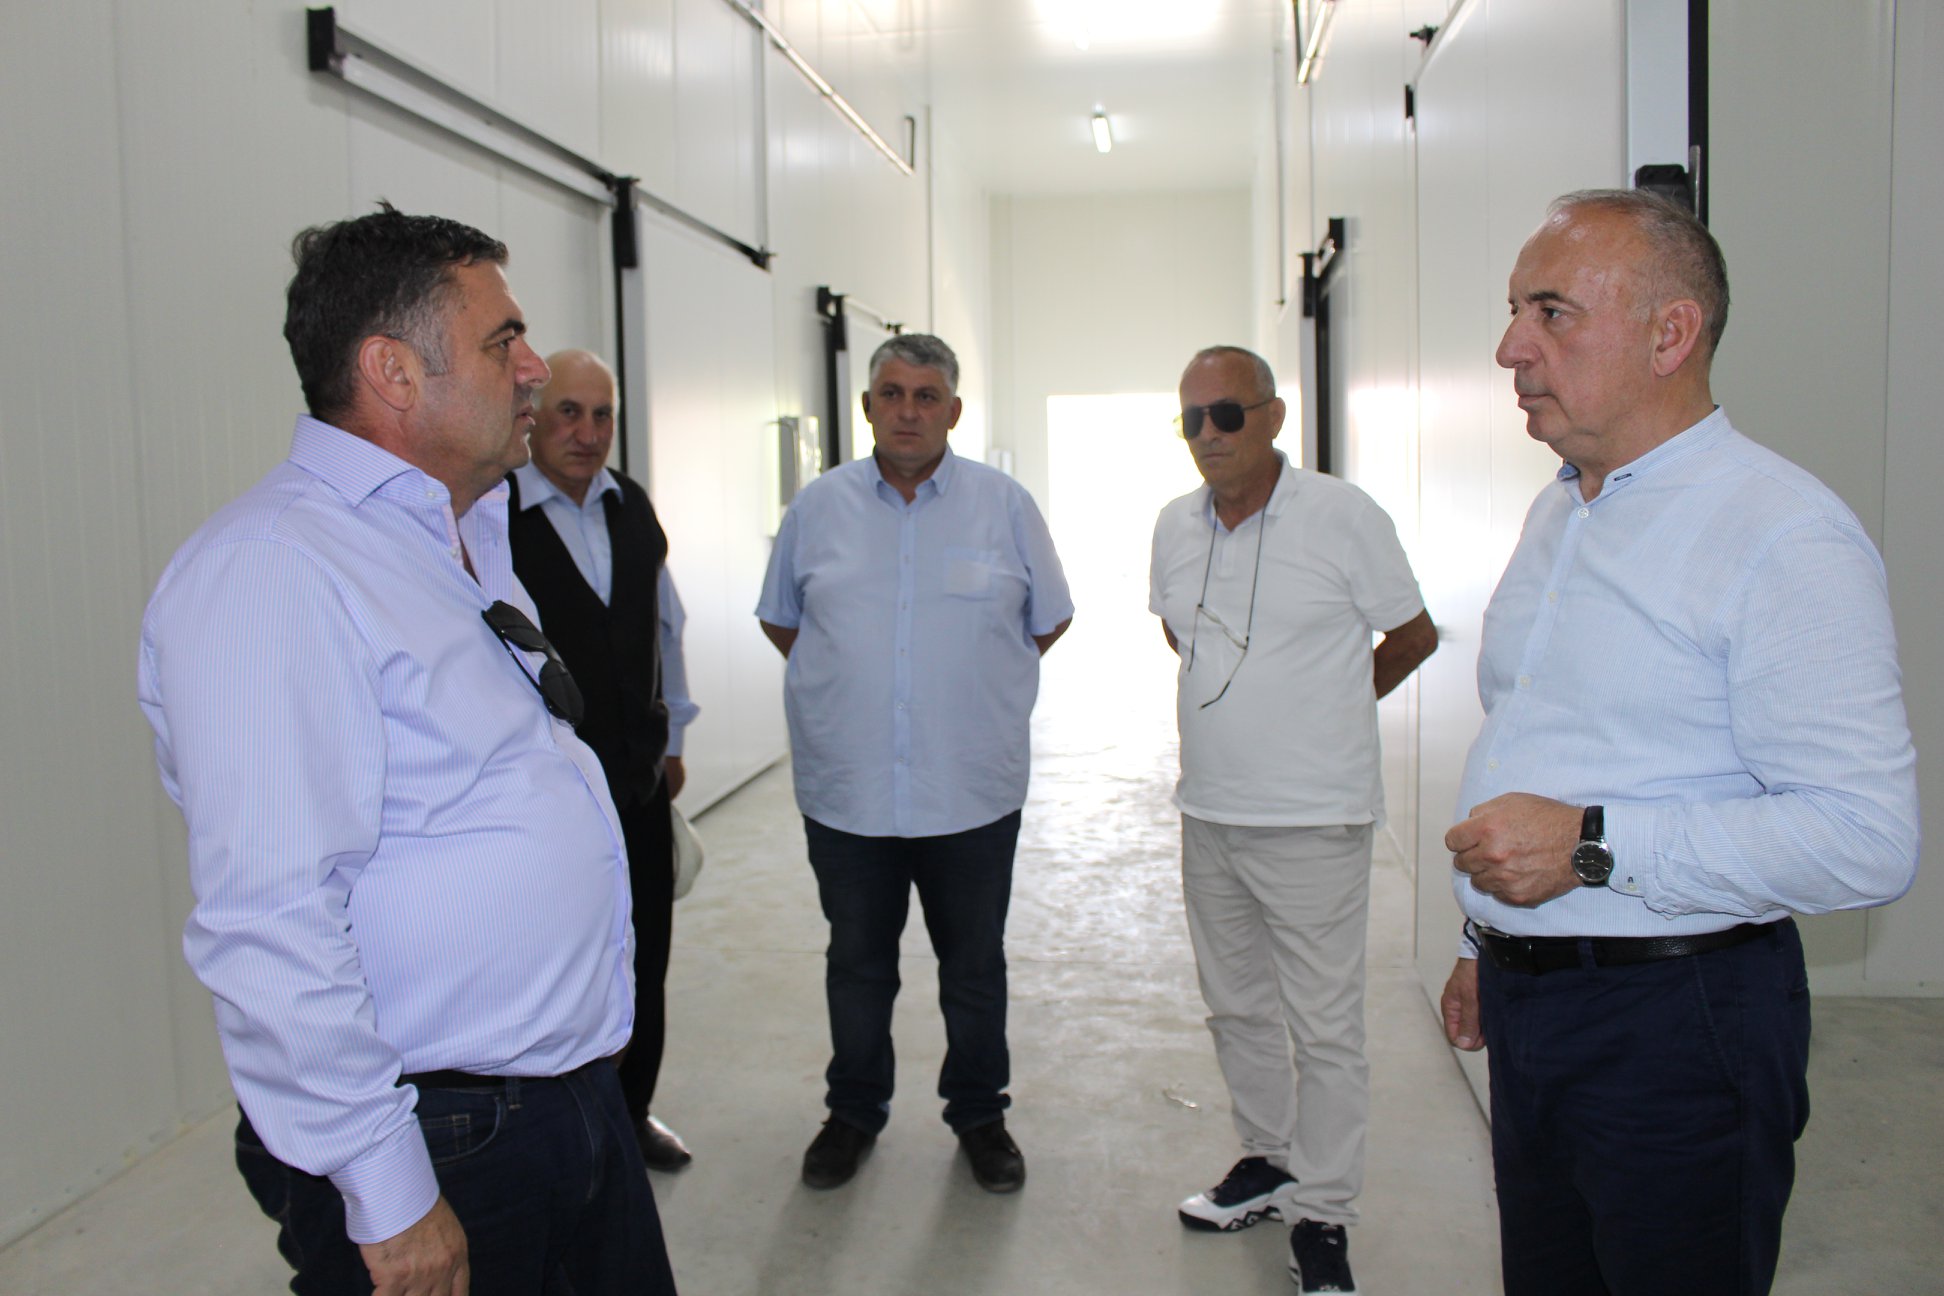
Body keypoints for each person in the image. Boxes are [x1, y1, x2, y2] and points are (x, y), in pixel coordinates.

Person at [138, 206, 678, 1295]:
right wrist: (389, 1196)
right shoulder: (275, 569)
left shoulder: (460, 537)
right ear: (391, 371)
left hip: (563, 1098)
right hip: (445, 1140)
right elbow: (271, 919)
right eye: (502, 341)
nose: (533, 370)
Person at [1439, 189, 1920, 1295]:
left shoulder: (1782, 534)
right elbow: (1539, 741)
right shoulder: (1562, 510)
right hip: (1530, 1004)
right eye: (1514, 312)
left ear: (1671, 334)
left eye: (1551, 313)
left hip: (1681, 1025)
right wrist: (1483, 940)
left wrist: (1591, 846)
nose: (1512, 349)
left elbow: (1866, 838)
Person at [756, 333, 1073, 1194]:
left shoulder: (1004, 507)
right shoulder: (816, 510)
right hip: (849, 791)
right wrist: (852, 688)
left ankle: (980, 1115)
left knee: (973, 968)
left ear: (953, 411)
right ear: (867, 407)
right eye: (891, 394)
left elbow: (1049, 618)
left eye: (926, 396)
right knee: (858, 964)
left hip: (969, 789)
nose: (907, 411)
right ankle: (854, 1111)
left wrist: (971, 689)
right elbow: (784, 620)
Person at [1150, 345, 1437, 1295]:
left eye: (1227, 414)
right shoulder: (1173, 526)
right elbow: (1181, 631)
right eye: (1192, 419)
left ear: (1273, 418)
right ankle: (1268, 1161)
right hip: (1209, 812)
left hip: (1314, 819)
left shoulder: (1342, 517)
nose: (1208, 435)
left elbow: (1413, 633)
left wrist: (1332, 707)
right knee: (1235, 1005)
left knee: (1325, 1030)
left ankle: (1325, 1213)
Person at [508, 348, 700, 1172]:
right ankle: (568, 1135)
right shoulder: (493, 515)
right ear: (532, 416)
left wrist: (674, 739)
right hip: (546, 796)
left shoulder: (632, 506)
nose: (587, 433)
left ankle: (633, 1114)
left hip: (637, 783)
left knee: (644, 953)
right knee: (560, 960)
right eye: (568, 413)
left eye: (602, 415)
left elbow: (665, 628)